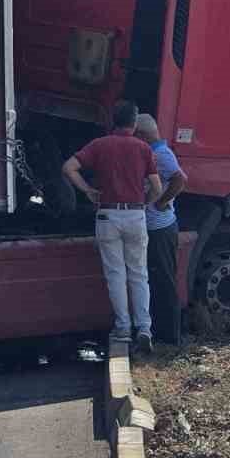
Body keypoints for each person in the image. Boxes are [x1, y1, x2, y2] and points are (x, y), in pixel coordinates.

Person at [62, 100, 163, 354]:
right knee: (139, 274)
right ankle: (144, 328)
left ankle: (123, 327)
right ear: (134, 122)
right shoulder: (143, 149)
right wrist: (144, 203)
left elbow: (68, 167)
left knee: (116, 275)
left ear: (113, 121)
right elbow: (158, 187)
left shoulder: (99, 145)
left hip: (107, 215)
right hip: (135, 216)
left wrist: (87, 190)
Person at [135, 113, 188, 346]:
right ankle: (163, 333)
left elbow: (180, 179)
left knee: (164, 280)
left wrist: (160, 202)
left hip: (160, 229)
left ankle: (170, 337)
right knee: (157, 279)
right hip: (157, 228)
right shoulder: (156, 152)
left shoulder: (160, 155)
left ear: (141, 135)